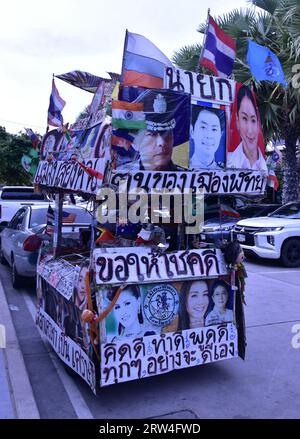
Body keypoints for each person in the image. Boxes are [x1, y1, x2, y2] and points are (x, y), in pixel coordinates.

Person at [131, 91, 187, 171]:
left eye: (167, 133)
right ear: (135, 142)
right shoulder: (122, 177)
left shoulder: (187, 179)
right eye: (151, 134)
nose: (162, 142)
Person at [227, 85, 267, 171]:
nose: (250, 131)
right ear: (237, 121)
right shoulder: (228, 162)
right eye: (244, 118)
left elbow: (272, 183)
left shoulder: (265, 165)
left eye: (253, 120)